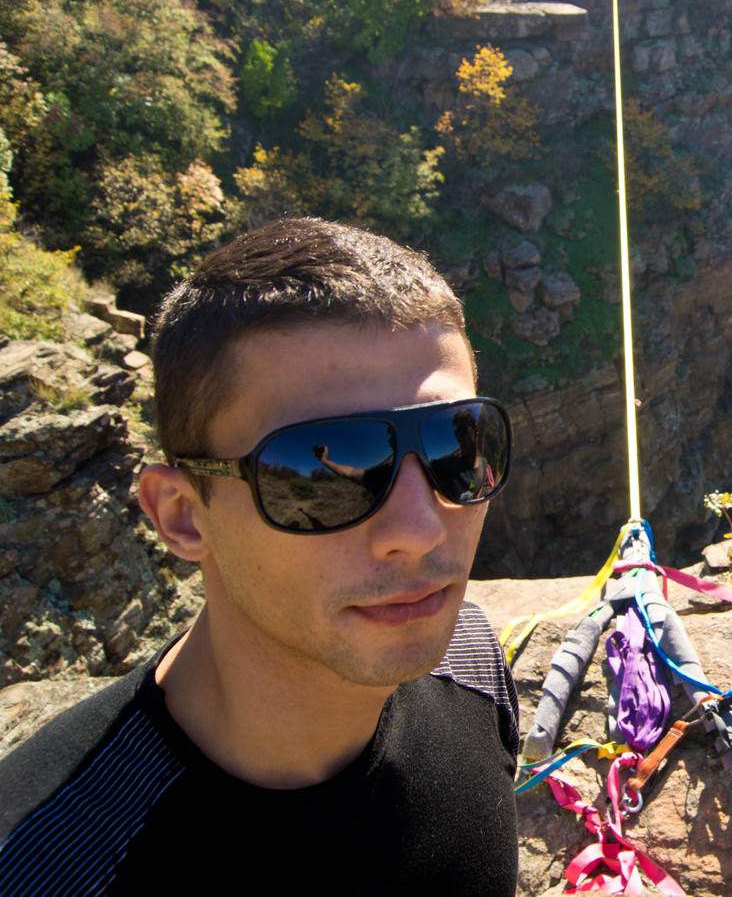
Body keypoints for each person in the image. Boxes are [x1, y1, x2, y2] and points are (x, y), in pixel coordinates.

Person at [0, 219, 522, 894]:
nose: (420, 528)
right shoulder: (50, 869)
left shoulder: (473, 662)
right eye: (327, 471)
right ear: (183, 515)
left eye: (459, 447)